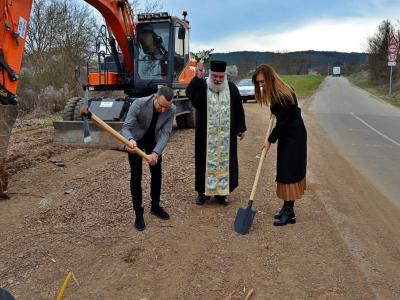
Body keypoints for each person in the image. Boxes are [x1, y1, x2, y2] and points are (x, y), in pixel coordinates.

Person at [252, 64, 307, 226]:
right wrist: (275, 111)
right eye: (259, 83)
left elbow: (282, 124)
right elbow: (285, 114)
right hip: (289, 134)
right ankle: (287, 208)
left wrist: (269, 141)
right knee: (284, 169)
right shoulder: (280, 91)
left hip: (294, 136)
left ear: (269, 77)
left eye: (262, 82)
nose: (261, 85)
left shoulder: (282, 95)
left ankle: (289, 212)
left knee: (289, 171)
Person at [186, 60, 247, 206]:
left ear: (225, 75)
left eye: (221, 77)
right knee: (203, 162)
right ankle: (203, 193)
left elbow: (239, 109)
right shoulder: (203, 87)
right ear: (210, 74)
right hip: (205, 137)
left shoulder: (231, 89)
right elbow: (190, 95)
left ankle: (222, 193)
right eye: (215, 76)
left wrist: (241, 128)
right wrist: (198, 77)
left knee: (226, 163)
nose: (218, 79)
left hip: (226, 138)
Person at [121, 86, 176, 231]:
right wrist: (130, 140)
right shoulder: (139, 104)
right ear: (155, 98)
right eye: (160, 105)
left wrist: (156, 153)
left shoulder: (171, 109)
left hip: (154, 141)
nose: (163, 110)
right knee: (136, 175)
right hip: (136, 140)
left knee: (157, 173)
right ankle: (138, 213)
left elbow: (166, 133)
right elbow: (126, 127)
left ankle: (155, 206)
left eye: (167, 107)